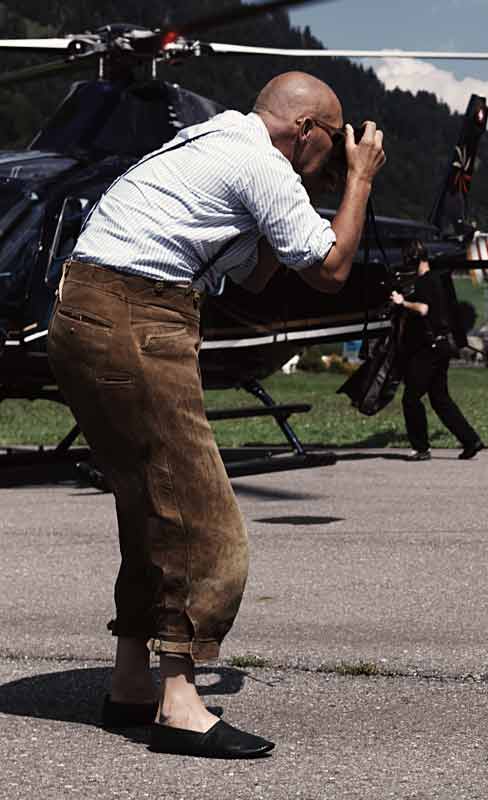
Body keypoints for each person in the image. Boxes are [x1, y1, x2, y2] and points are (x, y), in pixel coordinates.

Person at [47, 71, 386, 758]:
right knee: (202, 517)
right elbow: (329, 268)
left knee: (149, 503)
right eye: (331, 142)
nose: (334, 154)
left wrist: (305, 193)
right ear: (308, 133)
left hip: (82, 312)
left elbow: (258, 273)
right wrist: (359, 181)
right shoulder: (259, 162)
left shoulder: (209, 140)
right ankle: (179, 703)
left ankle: (132, 683)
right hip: (138, 317)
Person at [390, 243, 486, 461]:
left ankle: (421, 448)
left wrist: (402, 302)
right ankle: (471, 440)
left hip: (429, 349)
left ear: (414, 260)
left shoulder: (423, 283)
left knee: (411, 398)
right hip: (442, 346)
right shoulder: (437, 280)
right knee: (440, 398)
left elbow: (423, 309)